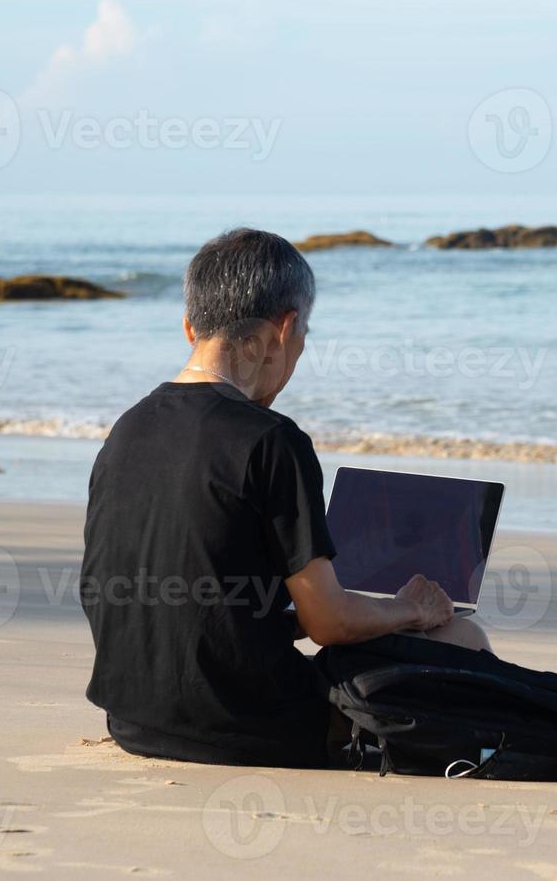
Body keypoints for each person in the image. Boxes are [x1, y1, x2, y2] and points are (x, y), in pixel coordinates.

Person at [81, 227, 490, 768]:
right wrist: (411, 609)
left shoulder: (126, 430)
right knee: (462, 634)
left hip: (134, 718)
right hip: (247, 729)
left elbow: (176, 596)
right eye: (303, 336)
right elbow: (331, 626)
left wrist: (318, 612)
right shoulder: (272, 439)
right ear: (284, 329)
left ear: (190, 328)